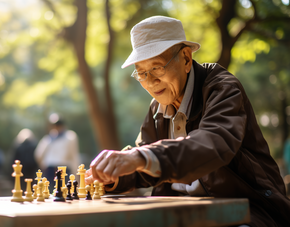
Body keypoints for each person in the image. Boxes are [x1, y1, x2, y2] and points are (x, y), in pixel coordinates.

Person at [85, 16, 290, 226]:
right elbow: (146, 163)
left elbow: (212, 144)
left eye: (157, 68)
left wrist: (140, 157)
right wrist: (115, 175)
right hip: (184, 214)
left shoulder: (223, 89)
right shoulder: (157, 106)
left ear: (185, 59)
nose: (151, 81)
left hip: (250, 211)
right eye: (142, 73)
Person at [34, 113, 80, 190]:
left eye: (58, 124)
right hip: (50, 169)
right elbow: (38, 154)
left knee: (64, 192)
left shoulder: (70, 137)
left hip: (64, 168)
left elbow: (74, 156)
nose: (56, 127)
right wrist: (44, 166)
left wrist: (76, 173)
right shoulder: (48, 139)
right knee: (49, 193)